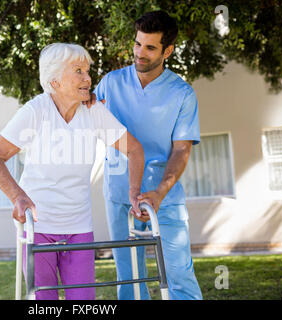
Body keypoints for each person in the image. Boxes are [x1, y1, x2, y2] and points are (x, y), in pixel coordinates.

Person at [0, 43, 145, 300]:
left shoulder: (94, 111)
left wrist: (134, 193)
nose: (88, 78)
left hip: (79, 228)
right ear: (55, 81)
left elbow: (135, 150)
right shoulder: (36, 111)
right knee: (44, 303)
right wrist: (17, 196)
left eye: (88, 70)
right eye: (78, 71)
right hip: (39, 227)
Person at [92, 10, 203, 300]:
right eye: (138, 44)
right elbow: (87, 126)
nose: (140, 53)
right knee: (128, 279)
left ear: (168, 50)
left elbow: (181, 149)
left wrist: (159, 192)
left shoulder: (182, 93)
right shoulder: (109, 83)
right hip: (118, 195)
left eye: (150, 47)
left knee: (179, 274)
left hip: (164, 197)